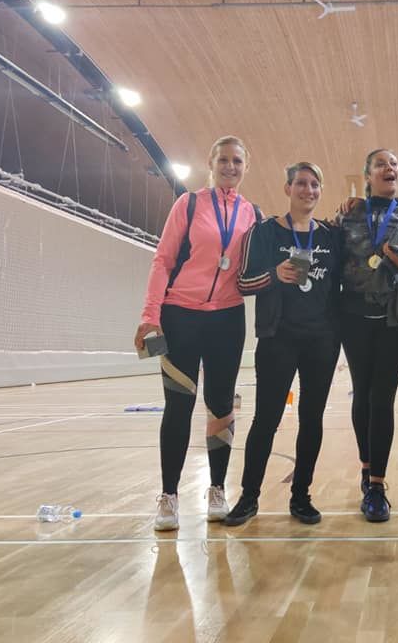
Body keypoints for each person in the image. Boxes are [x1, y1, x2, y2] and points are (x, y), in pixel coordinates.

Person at [135, 135, 260, 531]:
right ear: (211, 162)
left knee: (221, 406)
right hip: (180, 317)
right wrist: (151, 314)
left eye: (237, 161)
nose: (230, 167)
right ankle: (169, 495)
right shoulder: (188, 204)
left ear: (246, 167)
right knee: (178, 405)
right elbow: (163, 260)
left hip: (227, 319)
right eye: (224, 159)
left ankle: (217, 489)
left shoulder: (252, 214)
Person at [225, 162, 342, 527]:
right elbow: (243, 283)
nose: (308, 190)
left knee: (312, 418)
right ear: (288, 188)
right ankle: (249, 497)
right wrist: (274, 275)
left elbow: (343, 283)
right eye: (301, 183)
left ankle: (301, 496)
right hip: (278, 338)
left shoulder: (331, 237)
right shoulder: (264, 232)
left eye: (314, 184)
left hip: (322, 340)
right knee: (266, 418)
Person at [337, 149, 398, 522]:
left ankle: (376, 486)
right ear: (368, 175)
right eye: (381, 164)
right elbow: (334, 262)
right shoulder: (348, 215)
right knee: (362, 394)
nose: (390, 168)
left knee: (382, 398)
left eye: (395, 163)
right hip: (353, 316)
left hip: (395, 317)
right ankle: (365, 465)